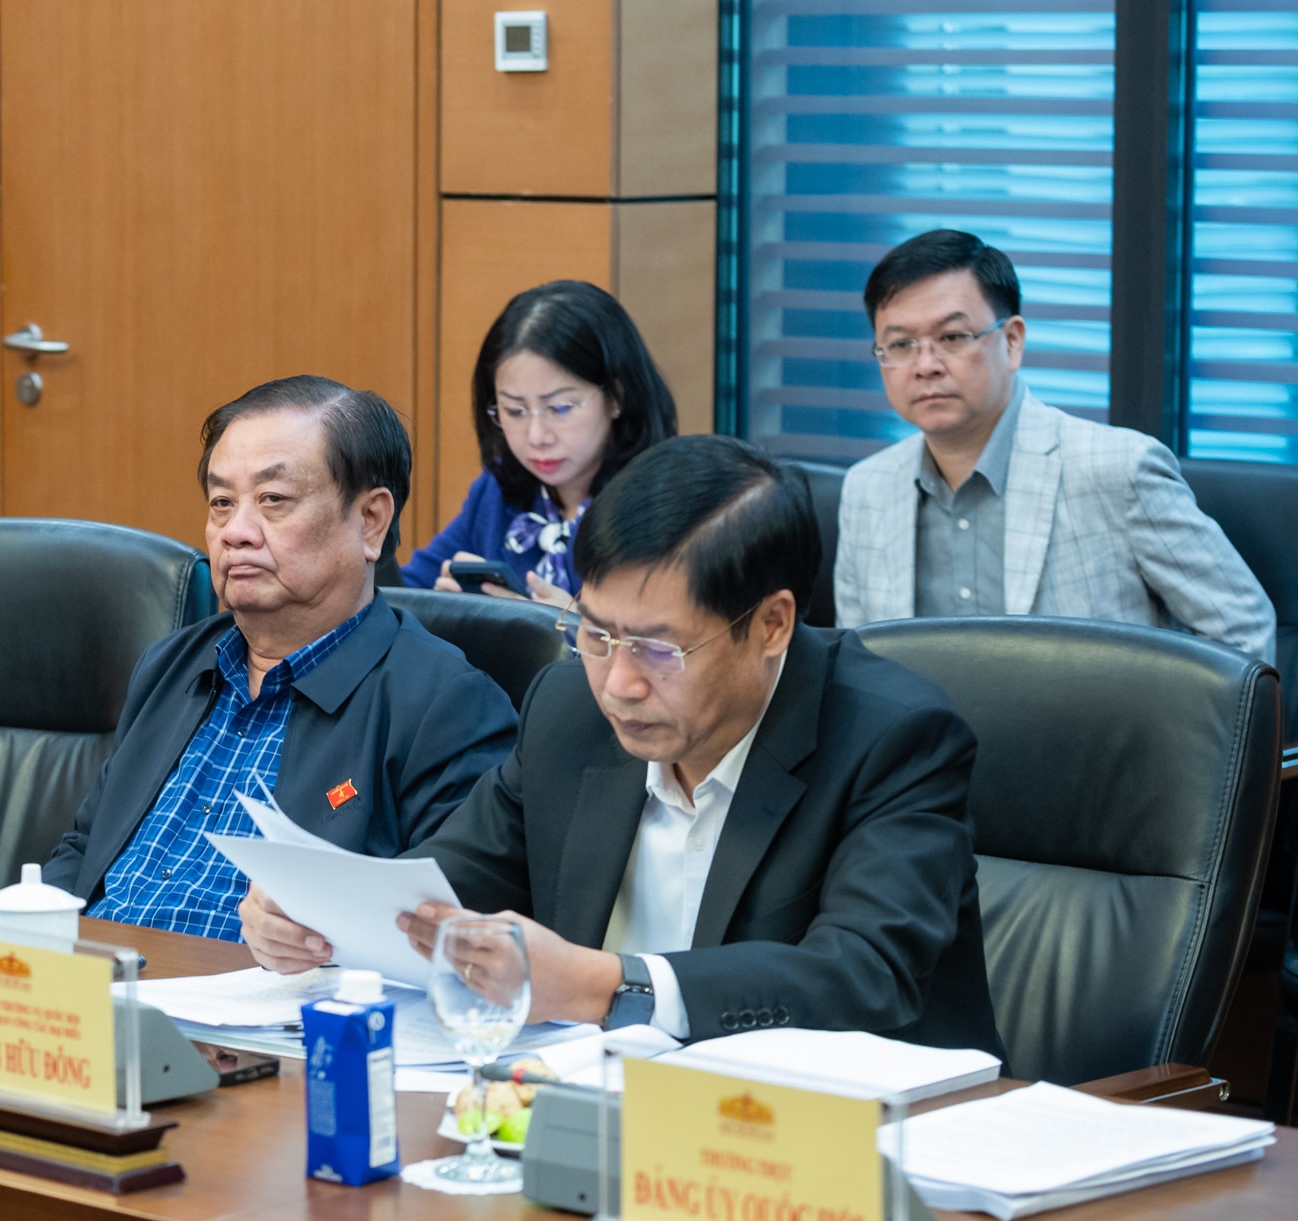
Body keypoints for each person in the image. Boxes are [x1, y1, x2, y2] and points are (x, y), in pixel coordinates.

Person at [244, 435, 1004, 1053]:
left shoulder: (892, 737)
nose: (619, 683)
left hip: (843, 1142)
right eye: (596, 633)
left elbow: (864, 977)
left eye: (658, 649)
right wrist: (323, 915)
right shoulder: (569, 708)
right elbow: (452, 881)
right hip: (595, 1109)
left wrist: (606, 986)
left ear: (772, 625)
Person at [40, 375, 519, 943]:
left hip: (263, 997)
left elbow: (451, 931)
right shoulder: (171, 666)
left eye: (273, 500)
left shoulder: (447, 704)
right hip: (95, 982)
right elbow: (85, 849)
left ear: (370, 521)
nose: (235, 533)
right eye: (222, 503)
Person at [835, 229, 1273, 660]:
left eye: (952, 337)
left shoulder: (1118, 470)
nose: (925, 365)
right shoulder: (866, 489)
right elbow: (855, 666)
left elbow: (1242, 632)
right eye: (901, 344)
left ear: (1012, 341)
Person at [398, 281, 678, 608]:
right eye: (515, 411)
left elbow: (677, 639)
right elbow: (404, 591)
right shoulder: (497, 492)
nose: (536, 437)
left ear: (616, 396)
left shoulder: (667, 507)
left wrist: (567, 626)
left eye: (560, 408)